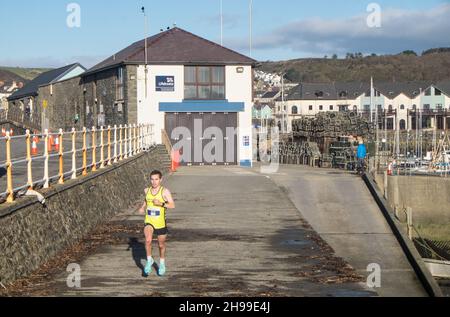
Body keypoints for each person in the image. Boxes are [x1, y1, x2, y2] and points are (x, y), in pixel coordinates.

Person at [139, 170, 175, 276]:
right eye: (152, 179)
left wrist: (161, 203)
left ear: (160, 179)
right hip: (149, 221)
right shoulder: (147, 190)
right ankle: (149, 260)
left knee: (161, 245)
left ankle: (162, 263)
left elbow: (172, 205)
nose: (154, 182)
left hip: (160, 223)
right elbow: (146, 200)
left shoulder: (165, 191)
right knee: (148, 240)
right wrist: (142, 207)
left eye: (156, 179)